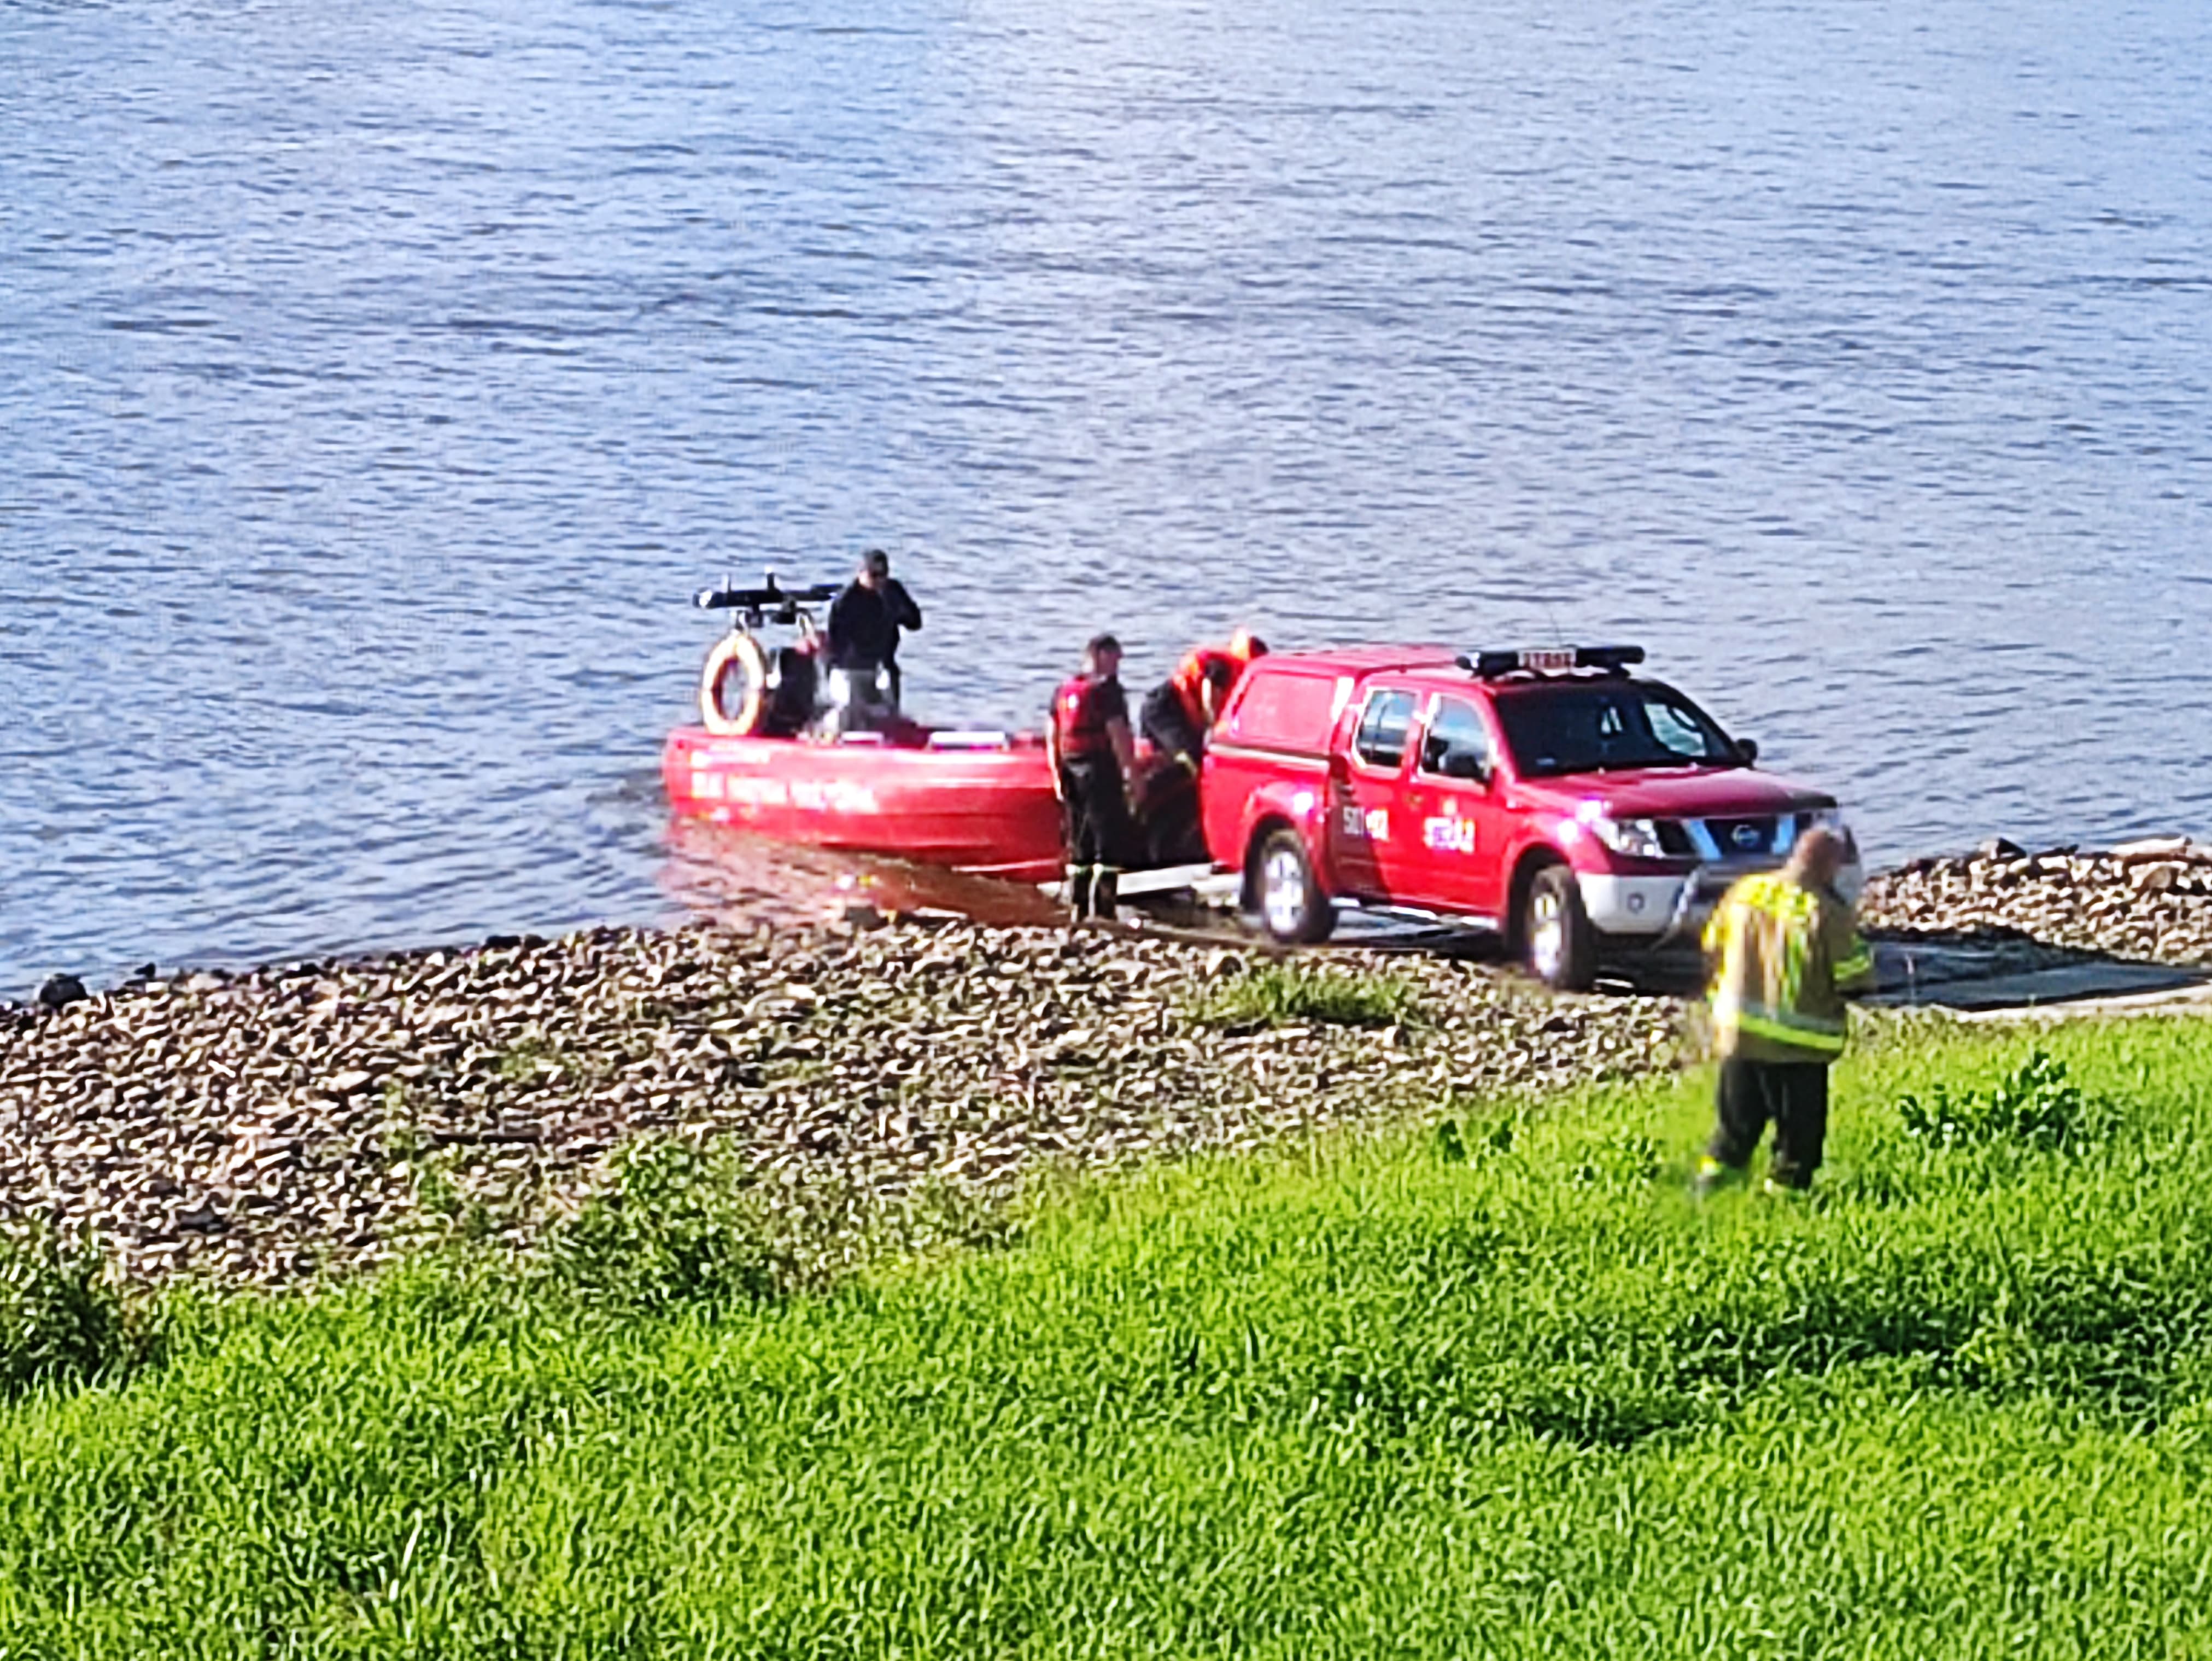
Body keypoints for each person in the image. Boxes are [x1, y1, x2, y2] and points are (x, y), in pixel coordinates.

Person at [1693, 826, 1875, 1196]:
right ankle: (1786, 1201)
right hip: (1797, 1048)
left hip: (1738, 1035)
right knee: (1798, 1138)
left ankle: (1708, 1190)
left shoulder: (1745, 892)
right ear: (1829, 868)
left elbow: (1712, 946)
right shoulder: (1824, 912)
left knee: (1735, 1128)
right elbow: (1854, 981)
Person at [1045, 634, 1137, 921]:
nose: (1118, 664)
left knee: (1079, 837)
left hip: (1071, 768)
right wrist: (1132, 774)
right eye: (1115, 657)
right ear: (1100, 656)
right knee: (1108, 838)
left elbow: (1053, 733)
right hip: (1100, 769)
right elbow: (1118, 734)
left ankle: (1078, 905)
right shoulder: (1107, 692)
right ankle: (1106, 909)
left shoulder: (1065, 689)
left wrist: (1056, 772)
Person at [825, 548, 923, 707]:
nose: (879, 580)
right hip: (851, 667)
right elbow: (836, 640)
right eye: (874, 575)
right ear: (861, 573)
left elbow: (915, 623)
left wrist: (899, 611)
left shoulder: (893, 590)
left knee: (888, 709)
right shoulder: (847, 600)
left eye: (883, 574)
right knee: (850, 712)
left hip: (883, 664)